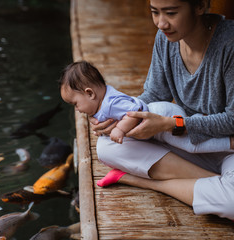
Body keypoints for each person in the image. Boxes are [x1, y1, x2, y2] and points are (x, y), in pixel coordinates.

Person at [88, 0, 234, 220]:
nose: (161, 23)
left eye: (171, 13)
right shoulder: (166, 40)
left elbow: (232, 119)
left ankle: (144, 181)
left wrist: (174, 125)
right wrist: (117, 117)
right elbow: (154, 95)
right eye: (154, 12)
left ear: (200, 6)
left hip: (227, 145)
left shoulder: (229, 44)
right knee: (107, 146)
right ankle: (215, 184)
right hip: (191, 143)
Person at [59, 60, 233, 154]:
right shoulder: (103, 102)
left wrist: (119, 129)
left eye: (75, 104)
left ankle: (230, 143)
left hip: (162, 116)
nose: (77, 109)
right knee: (105, 148)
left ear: (90, 93)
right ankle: (197, 121)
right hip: (157, 118)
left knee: (192, 146)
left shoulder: (111, 103)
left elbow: (135, 112)